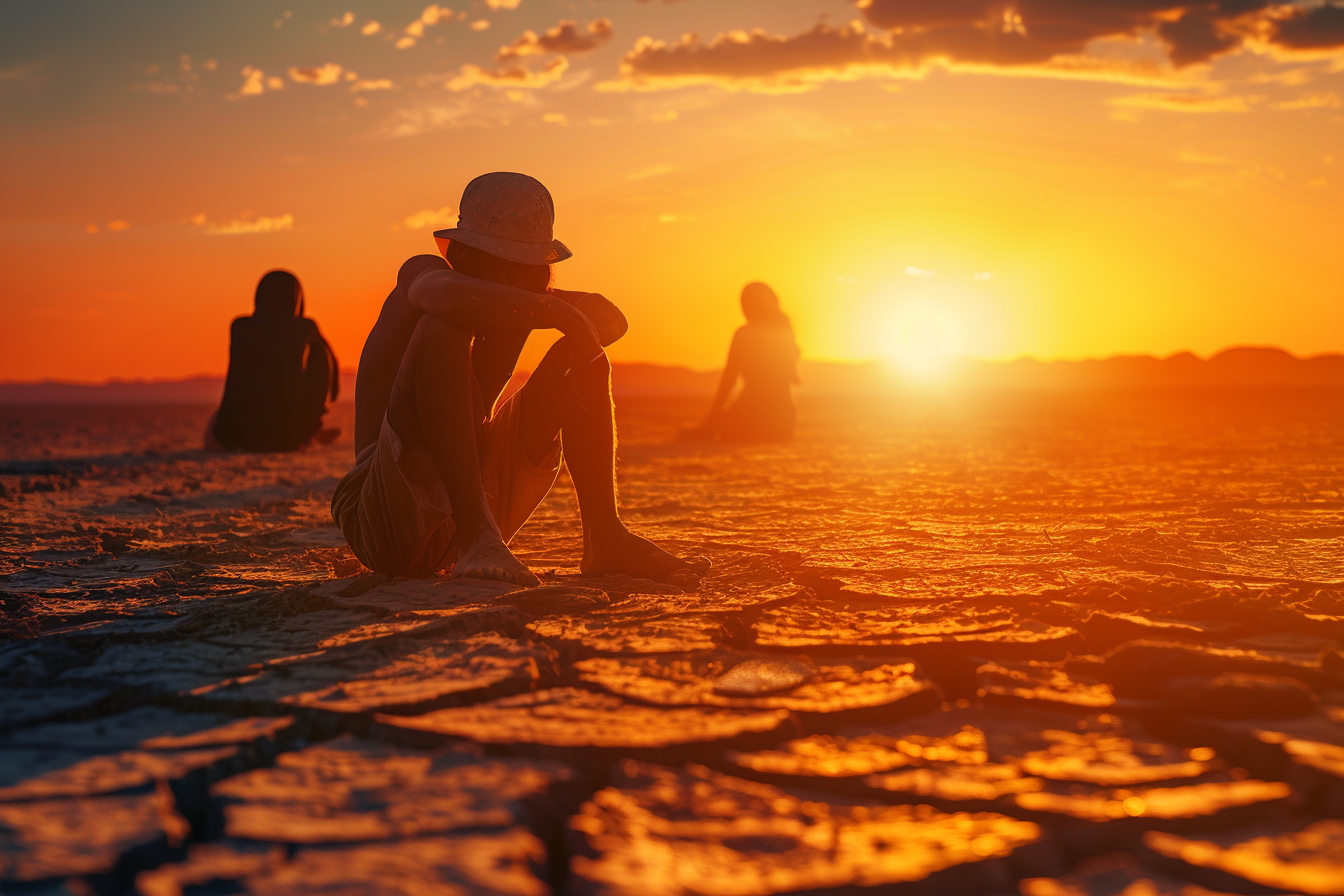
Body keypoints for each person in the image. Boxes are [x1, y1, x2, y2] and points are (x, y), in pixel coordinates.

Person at [331, 171, 709, 586]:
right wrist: (558, 313)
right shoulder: (424, 274)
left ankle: (604, 536)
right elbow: (441, 296)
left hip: (473, 498)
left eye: (526, 269)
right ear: (464, 253)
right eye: (503, 263)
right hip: (382, 515)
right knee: (441, 327)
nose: (514, 281)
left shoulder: (522, 301)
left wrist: (562, 322)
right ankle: (477, 535)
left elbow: (610, 318)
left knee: (584, 355)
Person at [208, 270, 340, 452]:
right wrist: (329, 397)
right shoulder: (304, 328)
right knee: (318, 355)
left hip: (235, 436)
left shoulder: (240, 326)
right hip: (289, 437)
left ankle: (314, 431)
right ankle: (313, 430)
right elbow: (329, 363)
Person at [681, 282, 799, 443]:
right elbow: (791, 381)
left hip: (752, 416)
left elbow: (729, 380)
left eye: (745, 304)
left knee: (696, 435)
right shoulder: (784, 334)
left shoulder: (744, 334)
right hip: (783, 423)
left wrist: (711, 419)